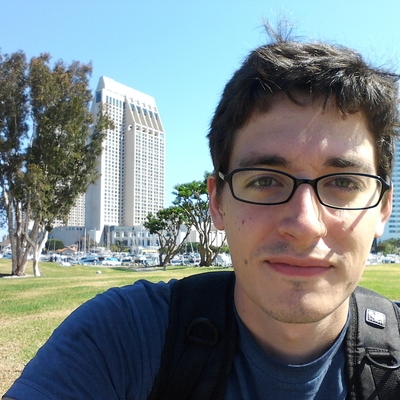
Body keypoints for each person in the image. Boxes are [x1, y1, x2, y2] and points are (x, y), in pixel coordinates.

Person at [3, 26, 400, 400]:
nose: (305, 224)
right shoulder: (121, 337)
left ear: (383, 208)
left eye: (343, 182)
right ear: (217, 202)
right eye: (265, 180)